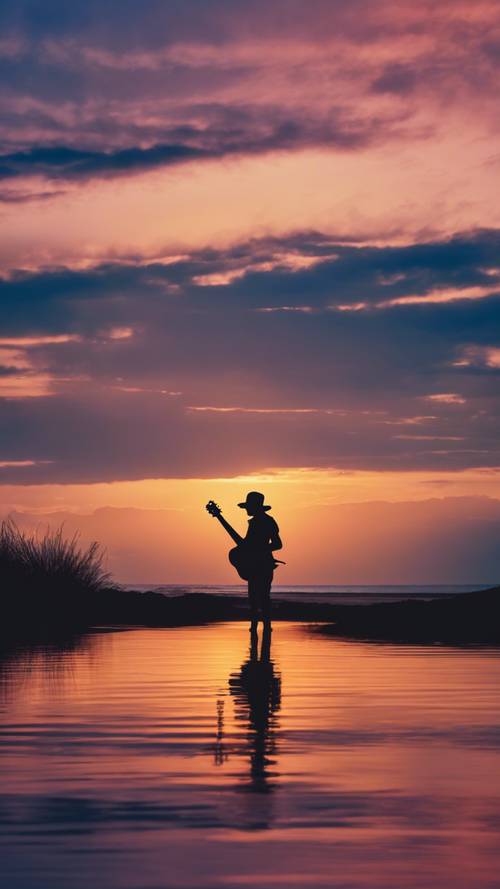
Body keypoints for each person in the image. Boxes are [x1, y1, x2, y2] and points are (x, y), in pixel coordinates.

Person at [237, 491, 282, 632]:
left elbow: (278, 544)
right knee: (254, 598)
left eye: (248, 507)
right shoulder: (254, 522)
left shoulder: (268, 521)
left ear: (255, 507)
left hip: (263, 565)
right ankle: (255, 628)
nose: (247, 510)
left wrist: (259, 548)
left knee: (262, 597)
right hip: (256, 564)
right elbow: (247, 544)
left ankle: (266, 627)